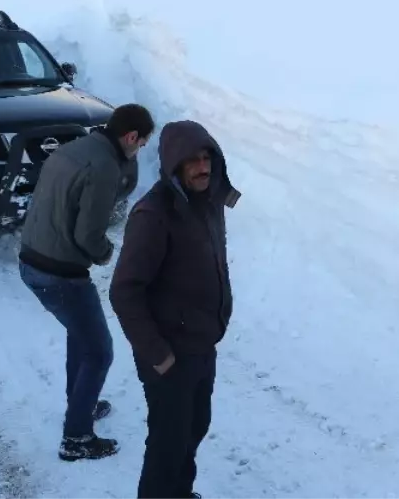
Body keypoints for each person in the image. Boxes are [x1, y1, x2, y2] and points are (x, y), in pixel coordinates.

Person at [109, 119, 241, 498]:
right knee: (167, 445)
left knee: (195, 428)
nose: (203, 167)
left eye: (207, 158)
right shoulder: (154, 216)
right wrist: (159, 355)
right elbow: (124, 291)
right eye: (192, 161)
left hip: (201, 344)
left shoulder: (209, 202)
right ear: (173, 165)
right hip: (168, 353)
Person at [18, 103, 155, 462]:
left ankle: (81, 403)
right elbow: (88, 235)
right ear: (130, 136)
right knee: (99, 351)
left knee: (80, 334)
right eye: (140, 144)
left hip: (31, 259)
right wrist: (107, 252)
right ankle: (76, 438)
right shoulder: (105, 167)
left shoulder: (75, 147)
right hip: (59, 272)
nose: (139, 151)